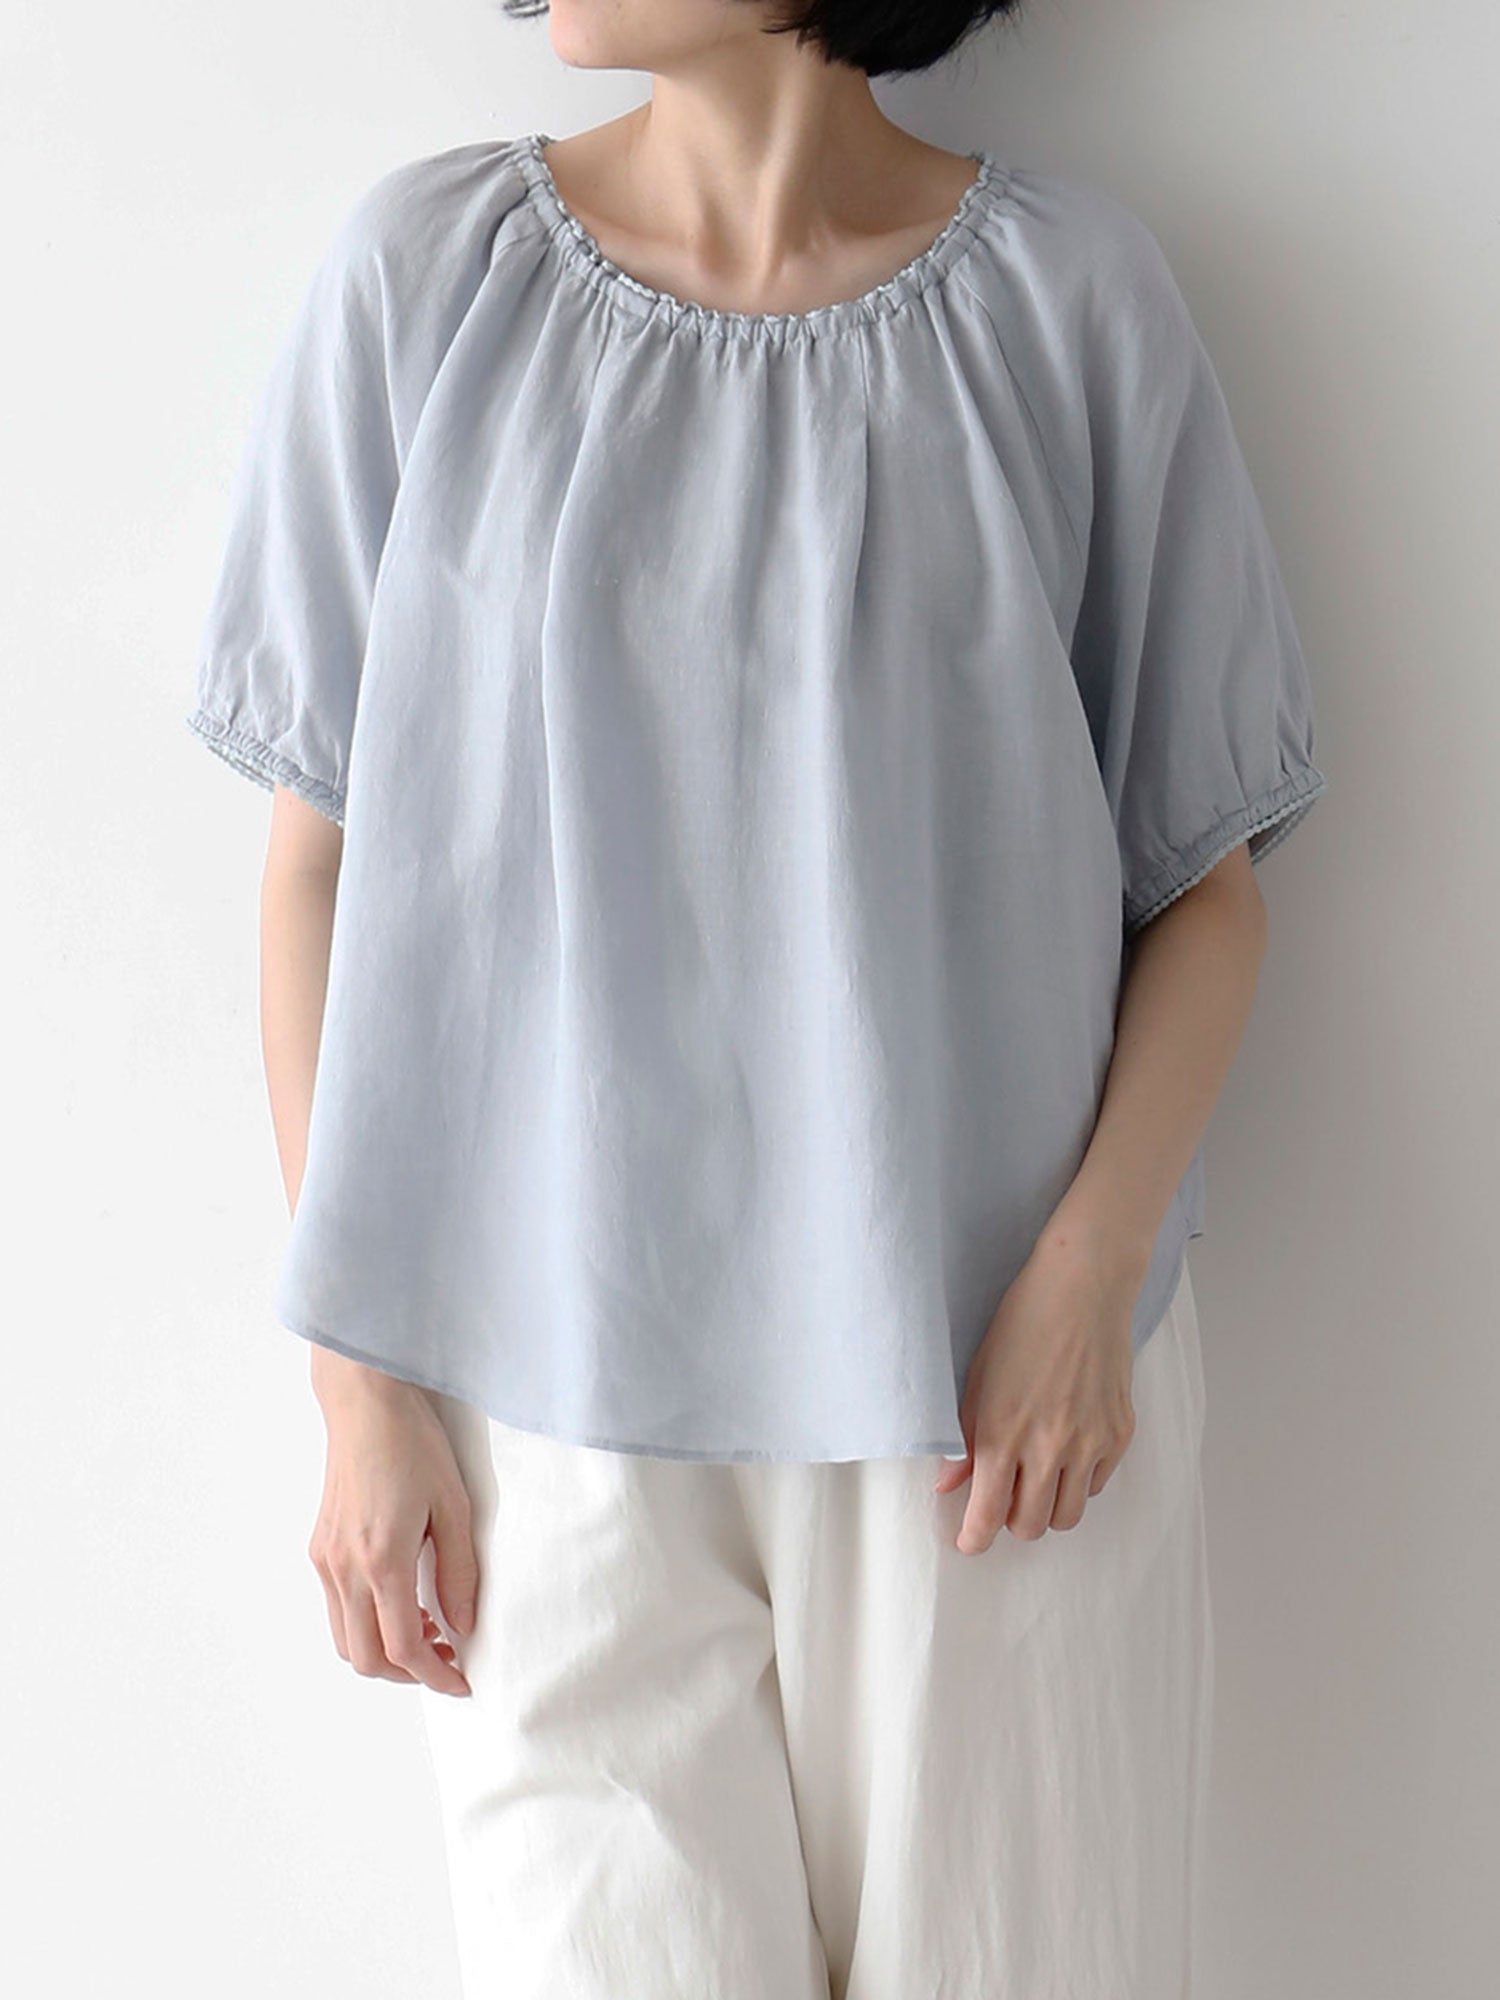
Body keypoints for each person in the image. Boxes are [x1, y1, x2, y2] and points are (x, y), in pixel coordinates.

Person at [184, 2, 1329, 1993]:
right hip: (540, 1416)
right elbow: (315, 873)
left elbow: (1206, 889)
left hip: (988, 1424)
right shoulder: (421, 285)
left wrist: (1087, 1278)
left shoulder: (1072, 304)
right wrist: (356, 1384)